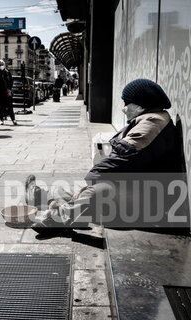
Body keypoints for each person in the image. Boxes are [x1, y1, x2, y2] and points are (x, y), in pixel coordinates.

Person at [27, 79, 182, 233]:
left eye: (126, 103)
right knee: (66, 189)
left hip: (150, 202)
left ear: (142, 103)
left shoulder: (153, 123)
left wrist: (89, 181)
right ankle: (45, 198)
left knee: (96, 191)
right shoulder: (148, 119)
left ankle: (55, 219)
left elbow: (122, 160)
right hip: (136, 187)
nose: (124, 108)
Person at [0, 60, 17, 125]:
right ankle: (1, 119)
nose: (1, 66)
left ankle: (13, 119)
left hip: (6, 92)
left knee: (10, 106)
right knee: (0, 107)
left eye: (2, 64)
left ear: (4, 64)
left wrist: (9, 89)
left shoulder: (7, 72)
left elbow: (11, 81)